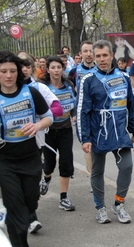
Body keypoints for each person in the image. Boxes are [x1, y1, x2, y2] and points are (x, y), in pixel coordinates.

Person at [0, 50, 53, 247]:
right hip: (2, 160)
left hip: (30, 157)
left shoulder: (31, 93)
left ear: (19, 72)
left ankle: (21, 244)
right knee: (15, 205)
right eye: (3, 71)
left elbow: (49, 117)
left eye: (12, 71)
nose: (8, 75)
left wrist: (37, 125)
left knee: (30, 202)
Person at [77, 40, 134, 224]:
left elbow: (132, 106)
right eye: (97, 56)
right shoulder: (87, 80)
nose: (101, 59)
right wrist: (85, 138)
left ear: (112, 55)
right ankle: (100, 208)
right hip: (99, 132)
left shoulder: (123, 77)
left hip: (120, 132)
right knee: (97, 171)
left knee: (127, 166)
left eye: (105, 55)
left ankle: (119, 203)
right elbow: (82, 110)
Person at [19, 53, 63, 233]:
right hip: (10, 145)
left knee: (31, 181)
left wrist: (39, 116)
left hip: (35, 142)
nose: (23, 70)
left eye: (27, 66)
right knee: (16, 182)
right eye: (20, 66)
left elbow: (58, 109)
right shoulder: (3, 90)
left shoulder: (38, 88)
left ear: (32, 68)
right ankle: (23, 215)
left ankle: (31, 216)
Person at [40, 56, 76, 211]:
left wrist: (73, 113)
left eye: (59, 67)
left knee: (66, 161)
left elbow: (73, 102)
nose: (56, 70)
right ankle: (46, 179)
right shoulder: (43, 87)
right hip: (48, 130)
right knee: (49, 163)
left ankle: (64, 197)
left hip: (65, 128)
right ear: (47, 70)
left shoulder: (68, 84)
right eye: (53, 67)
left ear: (63, 69)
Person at [68, 41, 95, 176]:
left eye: (91, 51)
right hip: (83, 112)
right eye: (85, 51)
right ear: (80, 54)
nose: (89, 54)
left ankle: (95, 172)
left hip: (97, 112)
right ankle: (92, 176)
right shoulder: (74, 72)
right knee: (88, 146)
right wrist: (74, 111)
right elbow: (69, 91)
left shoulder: (101, 70)